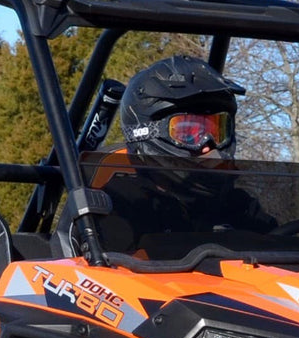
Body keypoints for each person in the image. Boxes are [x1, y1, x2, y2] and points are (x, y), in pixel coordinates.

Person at [92, 55, 276, 254]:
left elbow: (281, 247)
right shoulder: (122, 203)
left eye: (218, 131)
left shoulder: (236, 205)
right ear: (146, 132)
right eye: (188, 132)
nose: (207, 145)